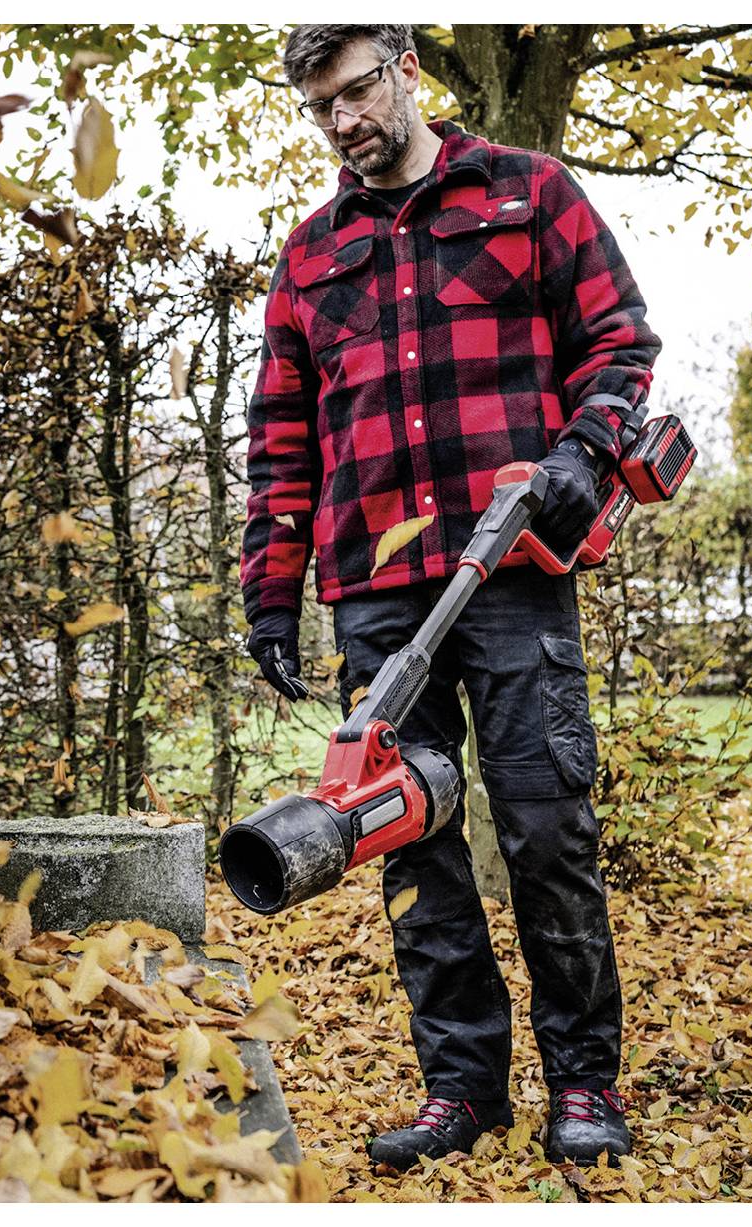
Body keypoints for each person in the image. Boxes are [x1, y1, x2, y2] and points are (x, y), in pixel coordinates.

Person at [238, 23, 661, 1170]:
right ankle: (460, 1087)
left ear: (406, 72)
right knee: (409, 849)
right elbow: (281, 442)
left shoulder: (528, 194)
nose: (341, 121)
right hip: (374, 593)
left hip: (511, 575)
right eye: (319, 106)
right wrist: (270, 594)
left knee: (543, 830)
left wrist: (579, 452)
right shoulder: (310, 254)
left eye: (355, 91)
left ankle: (582, 1083)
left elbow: (617, 343)